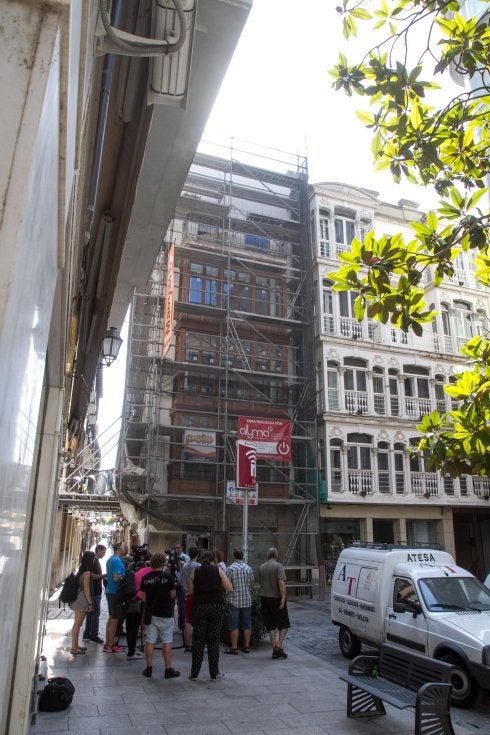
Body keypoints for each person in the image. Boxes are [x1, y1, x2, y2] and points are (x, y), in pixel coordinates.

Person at [188, 550, 233, 681]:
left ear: (201, 559)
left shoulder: (195, 571)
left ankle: (194, 673)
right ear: (214, 559)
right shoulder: (218, 571)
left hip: (200, 606)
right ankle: (214, 673)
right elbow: (229, 587)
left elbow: (191, 591)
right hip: (216, 606)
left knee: (198, 641)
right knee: (214, 641)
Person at [140, 552, 180, 679]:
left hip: (151, 613)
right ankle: (168, 669)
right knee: (166, 641)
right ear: (163, 563)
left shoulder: (145, 578)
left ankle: (148, 668)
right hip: (165, 613)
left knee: (150, 640)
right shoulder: (168, 577)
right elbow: (173, 594)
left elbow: (143, 597)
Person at [259, 547, 290, 659]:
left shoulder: (262, 567)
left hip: (264, 598)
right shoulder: (278, 566)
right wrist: (283, 597)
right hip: (276, 598)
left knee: (270, 625)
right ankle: (278, 645)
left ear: (268, 555)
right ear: (276, 555)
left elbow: (261, 583)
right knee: (284, 624)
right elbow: (281, 582)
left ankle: (274, 650)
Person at [225, 548, 255, 654]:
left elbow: (227, 585)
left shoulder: (230, 569)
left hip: (234, 600)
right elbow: (252, 584)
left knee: (234, 624)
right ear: (243, 556)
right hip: (246, 599)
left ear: (234, 556)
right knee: (247, 624)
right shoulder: (248, 568)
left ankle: (234, 647)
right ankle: (246, 646)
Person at [103, 540, 128, 653]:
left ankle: (108, 643)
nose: (126, 548)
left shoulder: (111, 559)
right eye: (124, 546)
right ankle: (110, 644)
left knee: (111, 618)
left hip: (110, 591)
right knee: (114, 619)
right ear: (119, 548)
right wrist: (126, 578)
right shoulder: (117, 561)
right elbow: (116, 577)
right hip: (115, 592)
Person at [69, 550, 96, 654]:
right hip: (82, 600)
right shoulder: (87, 573)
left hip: (78, 598)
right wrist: (90, 603)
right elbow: (86, 589)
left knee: (77, 623)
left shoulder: (82, 570)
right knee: (77, 623)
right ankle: (74, 647)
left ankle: (75, 645)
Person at [82, 544, 106, 644]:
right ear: (99, 550)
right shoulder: (94, 561)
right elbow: (92, 576)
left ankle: (87, 634)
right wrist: (103, 576)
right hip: (95, 592)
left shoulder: (96, 561)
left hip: (95, 591)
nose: (104, 554)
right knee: (95, 614)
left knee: (90, 614)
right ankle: (94, 636)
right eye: (103, 552)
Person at [181, 547, 200, 652]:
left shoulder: (184, 566)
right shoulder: (198, 566)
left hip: (187, 594)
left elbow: (182, 580)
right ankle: (196, 644)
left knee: (188, 620)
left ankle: (187, 645)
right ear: (197, 555)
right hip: (196, 595)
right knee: (198, 620)